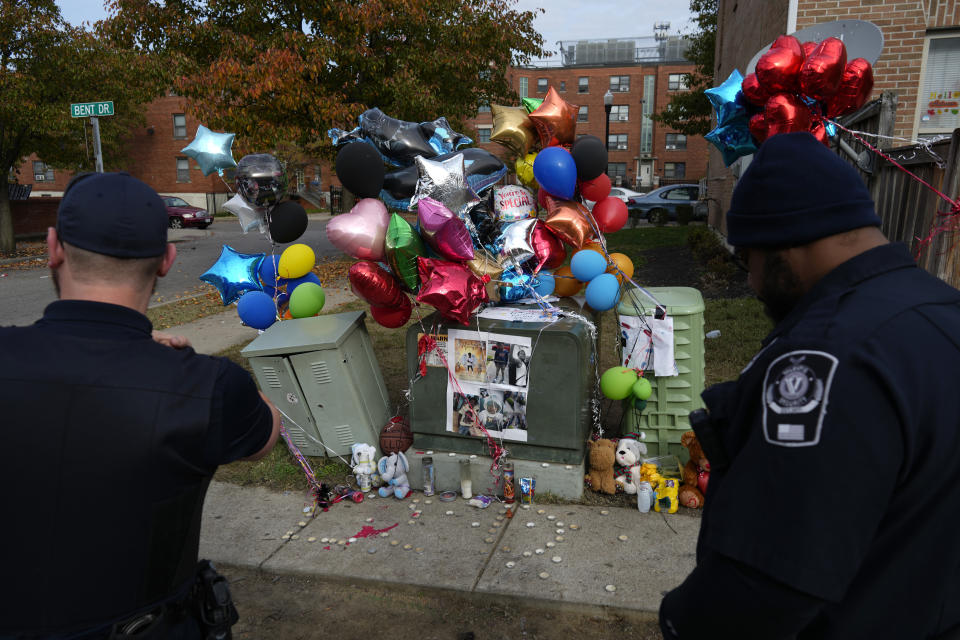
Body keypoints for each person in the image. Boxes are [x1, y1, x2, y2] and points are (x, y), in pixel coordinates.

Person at [659, 133, 960, 639]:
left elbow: (770, 577)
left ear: (787, 241)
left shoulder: (826, 358)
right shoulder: (944, 312)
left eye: (749, 259)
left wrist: (681, 621)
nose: (752, 282)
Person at [0, 173, 280, 639]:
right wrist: (182, 364)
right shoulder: (207, 386)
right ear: (167, 261)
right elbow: (265, 434)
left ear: (53, 247)